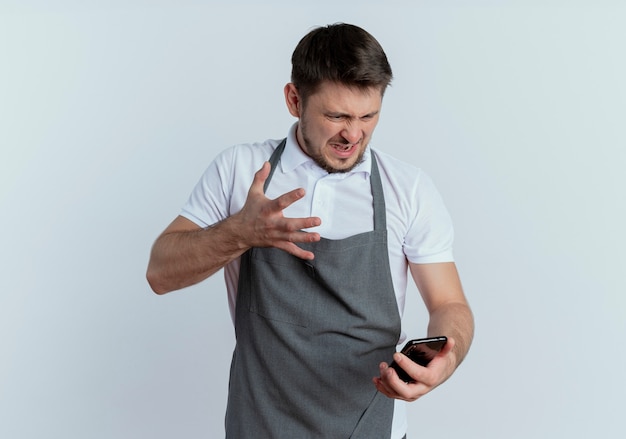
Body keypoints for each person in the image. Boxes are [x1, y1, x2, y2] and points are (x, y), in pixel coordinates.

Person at [146, 23, 474, 439]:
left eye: (368, 116)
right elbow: (159, 273)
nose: (353, 135)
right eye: (336, 116)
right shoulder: (240, 172)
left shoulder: (407, 188)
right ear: (294, 99)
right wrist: (240, 233)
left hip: (371, 428)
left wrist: (447, 358)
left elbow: (450, 304)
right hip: (258, 427)